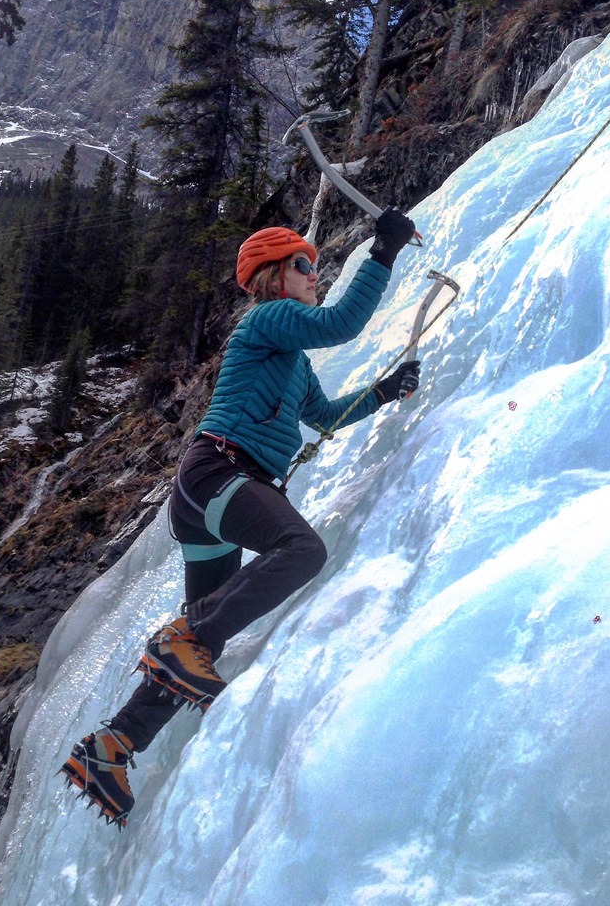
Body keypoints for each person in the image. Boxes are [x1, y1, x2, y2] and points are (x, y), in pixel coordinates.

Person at [60, 208, 420, 826]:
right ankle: (184, 638)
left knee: (205, 638)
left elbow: (325, 417)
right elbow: (342, 323)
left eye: (315, 264)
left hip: (208, 495)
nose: (315, 274)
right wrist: (382, 251)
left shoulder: (290, 357)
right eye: (304, 265)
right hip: (221, 473)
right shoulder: (269, 318)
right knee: (300, 552)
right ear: (273, 276)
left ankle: (111, 748)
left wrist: (382, 393)